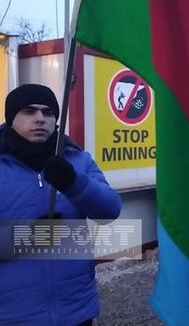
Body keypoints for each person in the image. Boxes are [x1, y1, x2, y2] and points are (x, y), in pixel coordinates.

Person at [0, 84, 122, 325]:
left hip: (76, 309)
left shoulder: (78, 159)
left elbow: (110, 210)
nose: (39, 119)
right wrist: (28, 237)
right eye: (28, 111)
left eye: (47, 112)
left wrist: (74, 183)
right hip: (13, 314)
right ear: (11, 117)